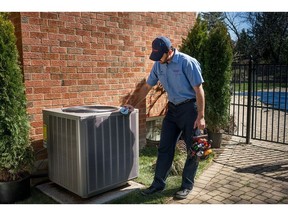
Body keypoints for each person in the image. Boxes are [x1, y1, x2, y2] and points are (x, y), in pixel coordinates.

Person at [124, 36, 205, 199]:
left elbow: (199, 90)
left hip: (190, 109)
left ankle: (187, 185)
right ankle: (158, 184)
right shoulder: (158, 64)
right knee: (164, 147)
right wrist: (132, 103)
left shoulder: (187, 62)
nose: (157, 60)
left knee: (194, 150)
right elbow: (147, 86)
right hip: (173, 109)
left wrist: (201, 116)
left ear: (169, 52)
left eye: (159, 56)